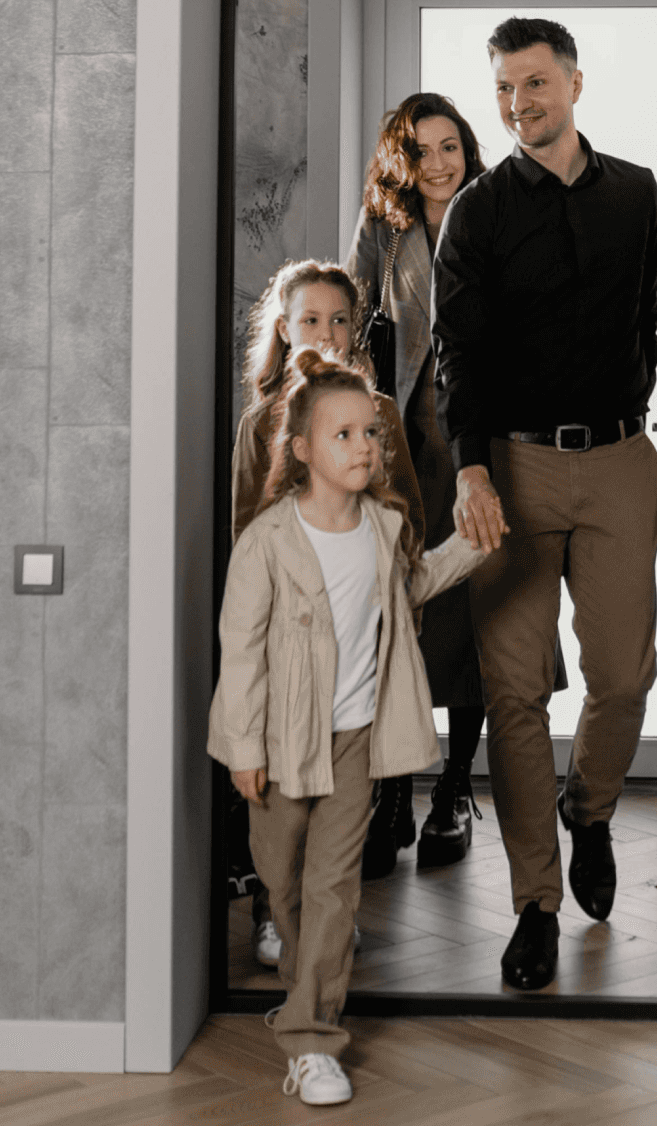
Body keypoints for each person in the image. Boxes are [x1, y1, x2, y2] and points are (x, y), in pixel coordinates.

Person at [432, 17, 657, 990]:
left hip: (618, 457)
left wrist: (636, 410)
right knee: (517, 690)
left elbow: (646, 315)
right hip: (512, 472)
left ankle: (593, 808)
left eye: (533, 83)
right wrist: (472, 472)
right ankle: (535, 900)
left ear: (572, 81)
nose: (517, 103)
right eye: (502, 88)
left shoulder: (639, 193)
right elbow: (459, 355)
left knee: (624, 672)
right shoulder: (477, 214)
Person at [208, 349, 487, 1108]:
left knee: (334, 891)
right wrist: (243, 749)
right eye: (344, 434)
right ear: (301, 450)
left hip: (355, 739)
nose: (365, 446)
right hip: (277, 746)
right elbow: (241, 651)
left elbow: (414, 586)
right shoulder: (267, 542)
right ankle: (305, 987)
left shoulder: (386, 528)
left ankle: (311, 1039)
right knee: (285, 883)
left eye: (371, 432)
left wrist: (470, 547)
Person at [347, 92, 545, 874]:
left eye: (451, 146)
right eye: (422, 149)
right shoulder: (382, 231)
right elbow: (353, 326)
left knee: (472, 619)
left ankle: (456, 789)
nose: (438, 163)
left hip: (478, 443)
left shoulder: (498, 212)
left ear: (468, 149)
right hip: (400, 448)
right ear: (401, 157)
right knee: (399, 615)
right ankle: (393, 792)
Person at [231, 258, 424, 964]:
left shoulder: (383, 419)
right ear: (284, 331)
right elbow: (244, 533)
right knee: (286, 799)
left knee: (346, 801)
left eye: (340, 319)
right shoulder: (261, 427)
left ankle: (329, 916)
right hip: (291, 648)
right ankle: (274, 912)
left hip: (363, 644)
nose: (328, 332)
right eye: (311, 320)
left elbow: (411, 523)